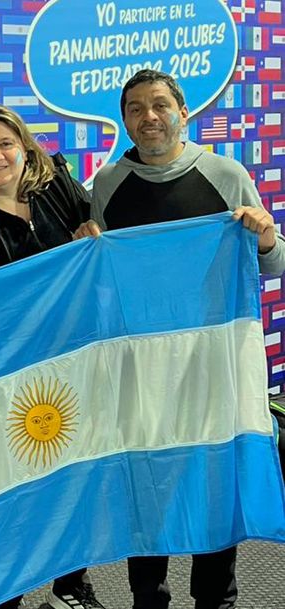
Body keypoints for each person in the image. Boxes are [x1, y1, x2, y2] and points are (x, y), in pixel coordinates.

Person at [74, 69, 285, 609]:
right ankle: (150, 600)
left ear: (183, 111)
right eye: (136, 108)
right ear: (124, 120)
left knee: (213, 481)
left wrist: (265, 238)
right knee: (148, 484)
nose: (149, 117)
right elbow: (99, 281)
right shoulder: (109, 183)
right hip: (141, 369)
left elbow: (276, 259)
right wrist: (86, 247)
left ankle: (218, 599)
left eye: (161, 105)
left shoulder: (225, 174)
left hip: (211, 366)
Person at [0, 105, 105, 609]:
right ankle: (6, 591)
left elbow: (96, 236)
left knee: (75, 472)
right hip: (7, 371)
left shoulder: (56, 185)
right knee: (11, 483)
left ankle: (71, 587)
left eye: (6, 143)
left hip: (72, 358)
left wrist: (93, 233)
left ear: (24, 147)